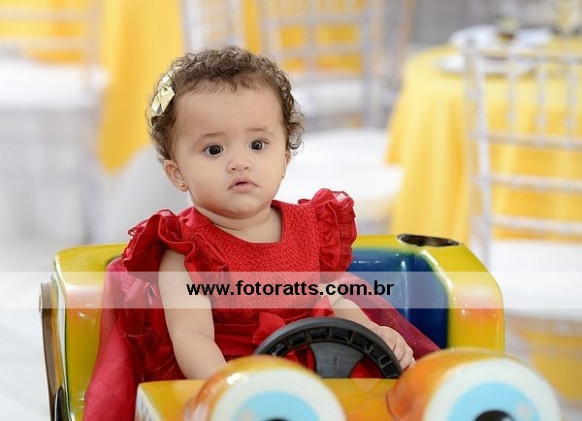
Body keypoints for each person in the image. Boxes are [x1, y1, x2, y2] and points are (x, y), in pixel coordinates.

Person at [83, 46, 438, 420]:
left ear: (284, 157)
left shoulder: (309, 227)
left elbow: (333, 301)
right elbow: (192, 336)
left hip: (325, 374)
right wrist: (233, 394)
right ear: (178, 173)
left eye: (257, 145)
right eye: (214, 149)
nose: (239, 162)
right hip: (234, 383)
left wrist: (371, 330)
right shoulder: (186, 251)